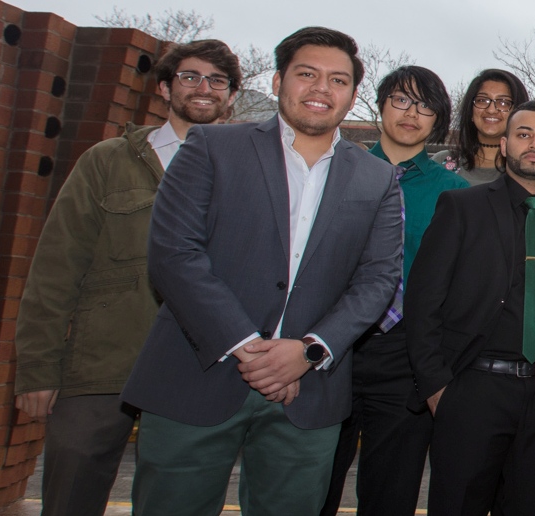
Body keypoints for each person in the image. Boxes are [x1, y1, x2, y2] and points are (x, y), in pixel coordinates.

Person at [120, 27, 402, 515]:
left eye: (337, 80)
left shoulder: (377, 178)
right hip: (197, 373)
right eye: (306, 74)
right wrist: (251, 350)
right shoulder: (211, 147)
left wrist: (309, 351)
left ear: (353, 95)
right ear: (277, 82)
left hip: (310, 390)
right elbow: (174, 255)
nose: (321, 89)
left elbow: (377, 280)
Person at [12, 39, 240, 516]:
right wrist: (37, 369)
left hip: (192, 368)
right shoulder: (108, 160)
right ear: (164, 87)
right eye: (190, 77)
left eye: (218, 80)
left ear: (232, 95)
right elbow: (56, 268)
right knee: (71, 495)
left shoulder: (244, 170)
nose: (204, 88)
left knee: (173, 502)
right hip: (102, 364)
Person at [406, 100, 535, 515]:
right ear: (505, 144)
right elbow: (423, 302)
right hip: (473, 392)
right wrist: (438, 388)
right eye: (525, 134)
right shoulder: (461, 207)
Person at [321, 65, 467, 516]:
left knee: (391, 493)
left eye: (425, 106)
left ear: (438, 120)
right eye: (402, 100)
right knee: (312, 485)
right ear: (380, 104)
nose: (411, 113)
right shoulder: (335, 169)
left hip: (406, 356)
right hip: (329, 346)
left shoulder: (454, 192)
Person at [434, 68, 528, 186]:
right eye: (482, 100)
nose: (491, 110)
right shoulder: (440, 164)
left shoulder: (533, 170)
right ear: (471, 110)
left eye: (503, 102)